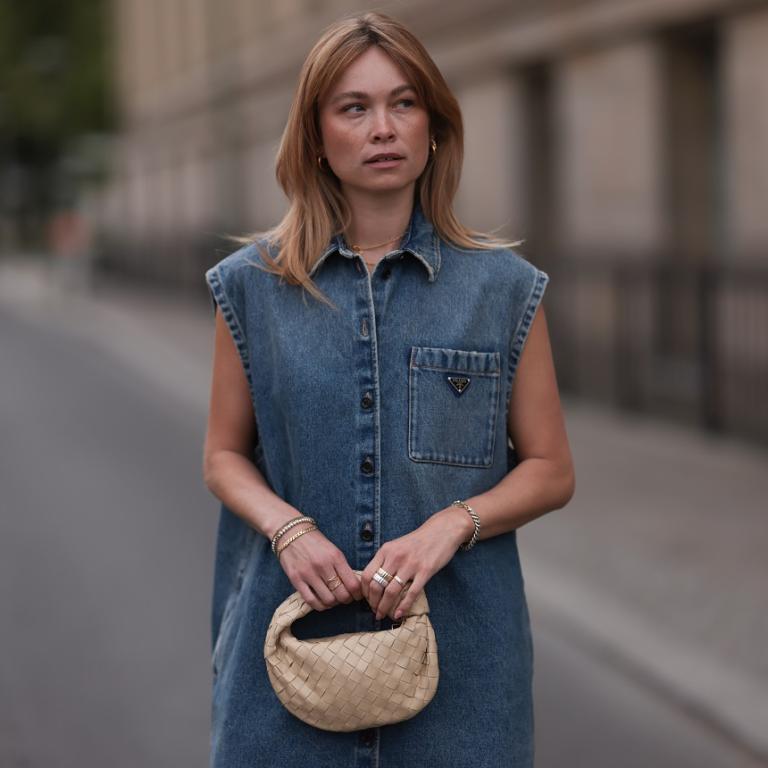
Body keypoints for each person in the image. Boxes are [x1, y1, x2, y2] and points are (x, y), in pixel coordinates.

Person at [202, 10, 574, 768]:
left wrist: (451, 525)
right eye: (355, 107)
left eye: (404, 104)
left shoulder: (503, 289)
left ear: (433, 129)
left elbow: (550, 469)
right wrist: (288, 528)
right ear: (315, 136)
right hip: (286, 661)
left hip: (464, 675)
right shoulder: (252, 288)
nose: (383, 128)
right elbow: (222, 455)